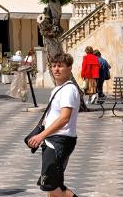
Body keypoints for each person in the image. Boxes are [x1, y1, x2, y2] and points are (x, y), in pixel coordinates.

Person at [26, 54, 81, 197]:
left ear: (69, 68)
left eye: (60, 65)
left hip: (59, 140)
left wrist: (41, 136)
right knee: (54, 184)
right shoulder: (57, 89)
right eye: (54, 65)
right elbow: (56, 116)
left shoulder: (68, 90)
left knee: (49, 184)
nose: (56, 69)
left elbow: (64, 118)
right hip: (53, 140)